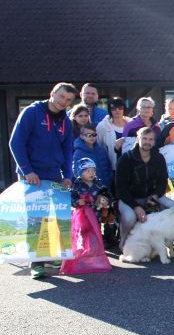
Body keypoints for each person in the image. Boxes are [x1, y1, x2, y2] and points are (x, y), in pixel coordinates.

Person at [9, 82, 77, 279]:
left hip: (54, 173)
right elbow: (16, 142)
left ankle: (54, 255)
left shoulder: (66, 121)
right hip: (32, 174)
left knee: (57, 217)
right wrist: (27, 170)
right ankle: (36, 263)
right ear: (52, 94)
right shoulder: (32, 112)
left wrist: (68, 175)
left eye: (69, 100)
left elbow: (67, 150)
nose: (64, 102)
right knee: (36, 219)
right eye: (62, 97)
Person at [115, 126, 174, 252]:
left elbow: (162, 181)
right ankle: (123, 242)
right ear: (137, 139)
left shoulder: (159, 158)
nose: (147, 142)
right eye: (144, 138)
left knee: (173, 207)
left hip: (151, 195)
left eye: (150, 139)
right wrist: (136, 206)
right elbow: (120, 188)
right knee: (129, 217)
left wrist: (155, 196)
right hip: (129, 198)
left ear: (154, 141)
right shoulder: (126, 159)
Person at [71, 157, 114, 225]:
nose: (92, 173)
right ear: (80, 173)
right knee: (83, 234)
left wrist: (106, 202)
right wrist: (77, 202)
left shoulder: (99, 184)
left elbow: (109, 196)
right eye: (88, 171)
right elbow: (71, 198)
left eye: (93, 170)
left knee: (96, 234)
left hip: (96, 217)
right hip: (82, 219)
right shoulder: (77, 186)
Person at [73, 123, 113, 192]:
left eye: (94, 135)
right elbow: (78, 173)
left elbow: (108, 166)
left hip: (106, 187)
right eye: (88, 135)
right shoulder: (79, 153)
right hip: (90, 190)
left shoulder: (102, 150)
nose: (92, 137)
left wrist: (110, 178)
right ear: (81, 136)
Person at [96, 96, 131, 170]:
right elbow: (98, 145)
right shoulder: (102, 126)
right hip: (111, 168)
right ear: (109, 110)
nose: (117, 110)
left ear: (124, 109)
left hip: (131, 167)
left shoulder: (132, 124)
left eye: (120, 108)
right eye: (113, 108)